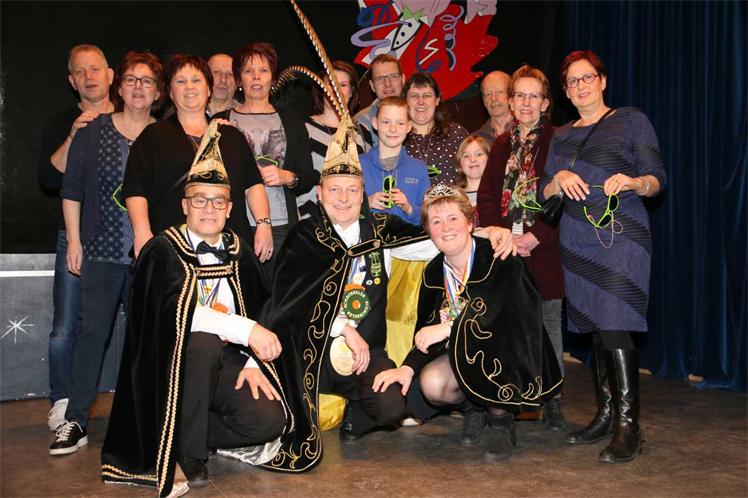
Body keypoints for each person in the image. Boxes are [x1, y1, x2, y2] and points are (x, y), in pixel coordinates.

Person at [259, 117, 516, 472]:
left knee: (394, 406)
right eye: (335, 190)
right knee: (278, 414)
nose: (344, 199)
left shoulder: (379, 229)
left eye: (352, 190)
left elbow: (434, 239)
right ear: (320, 193)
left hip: (367, 356)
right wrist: (343, 329)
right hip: (311, 353)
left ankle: (356, 416)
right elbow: (289, 302)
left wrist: (489, 232)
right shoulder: (303, 237)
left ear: (362, 193)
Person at [101, 122, 289, 496]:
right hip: (170, 370)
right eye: (199, 199)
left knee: (269, 420)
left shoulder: (237, 248)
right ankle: (187, 454)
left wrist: (254, 363)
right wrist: (244, 329)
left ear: (230, 208)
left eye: (218, 201)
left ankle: (192, 434)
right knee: (203, 341)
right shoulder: (162, 250)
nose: (209, 209)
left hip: (227, 362)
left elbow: (265, 305)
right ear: (184, 205)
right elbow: (175, 313)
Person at [373, 185, 562, 461]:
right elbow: (426, 330)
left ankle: (500, 420)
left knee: (493, 344)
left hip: (510, 351)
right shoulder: (433, 272)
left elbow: (508, 315)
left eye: (453, 218)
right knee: (433, 383)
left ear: (470, 223)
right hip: (464, 355)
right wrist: (407, 368)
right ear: (429, 231)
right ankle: (474, 408)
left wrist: (449, 326)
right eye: (436, 221)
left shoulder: (500, 256)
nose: (445, 228)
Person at [540, 50, 666, 463]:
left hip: (621, 235)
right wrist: (558, 177)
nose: (581, 86)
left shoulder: (631, 120)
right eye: (572, 81)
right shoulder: (561, 135)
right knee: (597, 326)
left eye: (587, 77)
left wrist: (633, 181)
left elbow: (657, 180)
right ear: (565, 91)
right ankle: (607, 414)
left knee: (614, 320)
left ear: (603, 80)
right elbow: (543, 192)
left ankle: (630, 425)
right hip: (577, 237)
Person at [50, 51, 164, 457]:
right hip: (101, 253)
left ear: (158, 92)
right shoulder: (93, 131)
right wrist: (75, 241)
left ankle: (149, 419)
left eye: (147, 81)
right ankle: (76, 420)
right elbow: (71, 190)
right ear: (120, 85)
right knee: (90, 335)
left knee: (147, 340)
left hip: (149, 257)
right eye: (131, 79)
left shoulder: (164, 136)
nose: (138, 87)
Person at [476, 64, 566, 430]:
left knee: (549, 326)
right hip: (506, 252)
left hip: (544, 251)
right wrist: (500, 235)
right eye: (520, 96)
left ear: (545, 103)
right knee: (509, 329)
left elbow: (565, 202)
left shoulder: (560, 140)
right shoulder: (500, 144)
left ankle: (554, 400)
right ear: (511, 102)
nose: (527, 103)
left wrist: (535, 236)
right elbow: (485, 196)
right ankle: (512, 398)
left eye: (534, 97)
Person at [122, 54, 271, 259]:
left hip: (230, 246)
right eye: (181, 81)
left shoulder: (231, 135)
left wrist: (264, 224)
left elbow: (253, 184)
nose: (189, 87)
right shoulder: (153, 135)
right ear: (171, 93)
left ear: (208, 90)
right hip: (172, 249)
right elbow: (135, 189)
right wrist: (142, 232)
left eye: (196, 80)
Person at [38, 44, 114, 431]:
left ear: (110, 75)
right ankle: (62, 401)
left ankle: (140, 398)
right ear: (72, 81)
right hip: (75, 236)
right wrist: (72, 137)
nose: (89, 77)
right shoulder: (62, 122)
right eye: (80, 71)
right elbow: (50, 179)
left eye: (95, 69)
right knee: (66, 325)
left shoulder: (131, 118)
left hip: (122, 240)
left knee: (140, 321)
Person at [216, 42, 315, 277]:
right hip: (233, 224)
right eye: (248, 71)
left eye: (263, 70)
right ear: (239, 79)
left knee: (278, 292)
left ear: (273, 77)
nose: (256, 77)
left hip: (281, 226)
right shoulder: (221, 121)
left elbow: (309, 177)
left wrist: (286, 177)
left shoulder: (292, 122)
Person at [299, 60, 372, 219]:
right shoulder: (304, 129)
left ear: (352, 92)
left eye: (343, 85)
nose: (336, 90)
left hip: (351, 219)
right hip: (312, 219)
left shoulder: (361, 133)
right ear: (321, 89)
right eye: (330, 84)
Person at [361, 96, 430, 225]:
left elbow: (428, 216)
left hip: (408, 236)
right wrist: (366, 203)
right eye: (386, 122)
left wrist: (408, 208)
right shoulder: (358, 164)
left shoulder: (419, 168)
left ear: (409, 127)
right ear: (375, 123)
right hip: (368, 236)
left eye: (400, 123)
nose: (393, 129)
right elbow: (341, 207)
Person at [403, 72, 468, 185]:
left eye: (427, 95)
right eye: (414, 96)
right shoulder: (396, 138)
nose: (420, 101)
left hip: (455, 196)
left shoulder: (456, 133)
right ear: (405, 101)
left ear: (437, 100)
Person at [353, 53, 406, 147]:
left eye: (393, 76)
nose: (387, 83)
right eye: (380, 79)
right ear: (372, 86)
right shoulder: (361, 123)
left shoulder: (418, 114)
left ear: (403, 79)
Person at [474, 70, 512, 143]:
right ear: (484, 101)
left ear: (511, 95)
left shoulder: (527, 131)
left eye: (499, 92)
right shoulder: (477, 142)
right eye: (488, 94)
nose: (493, 99)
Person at [455, 135, 490, 211]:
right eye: (466, 156)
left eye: (479, 154)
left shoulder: (502, 193)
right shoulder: (453, 198)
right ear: (460, 164)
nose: (472, 160)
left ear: (489, 159)